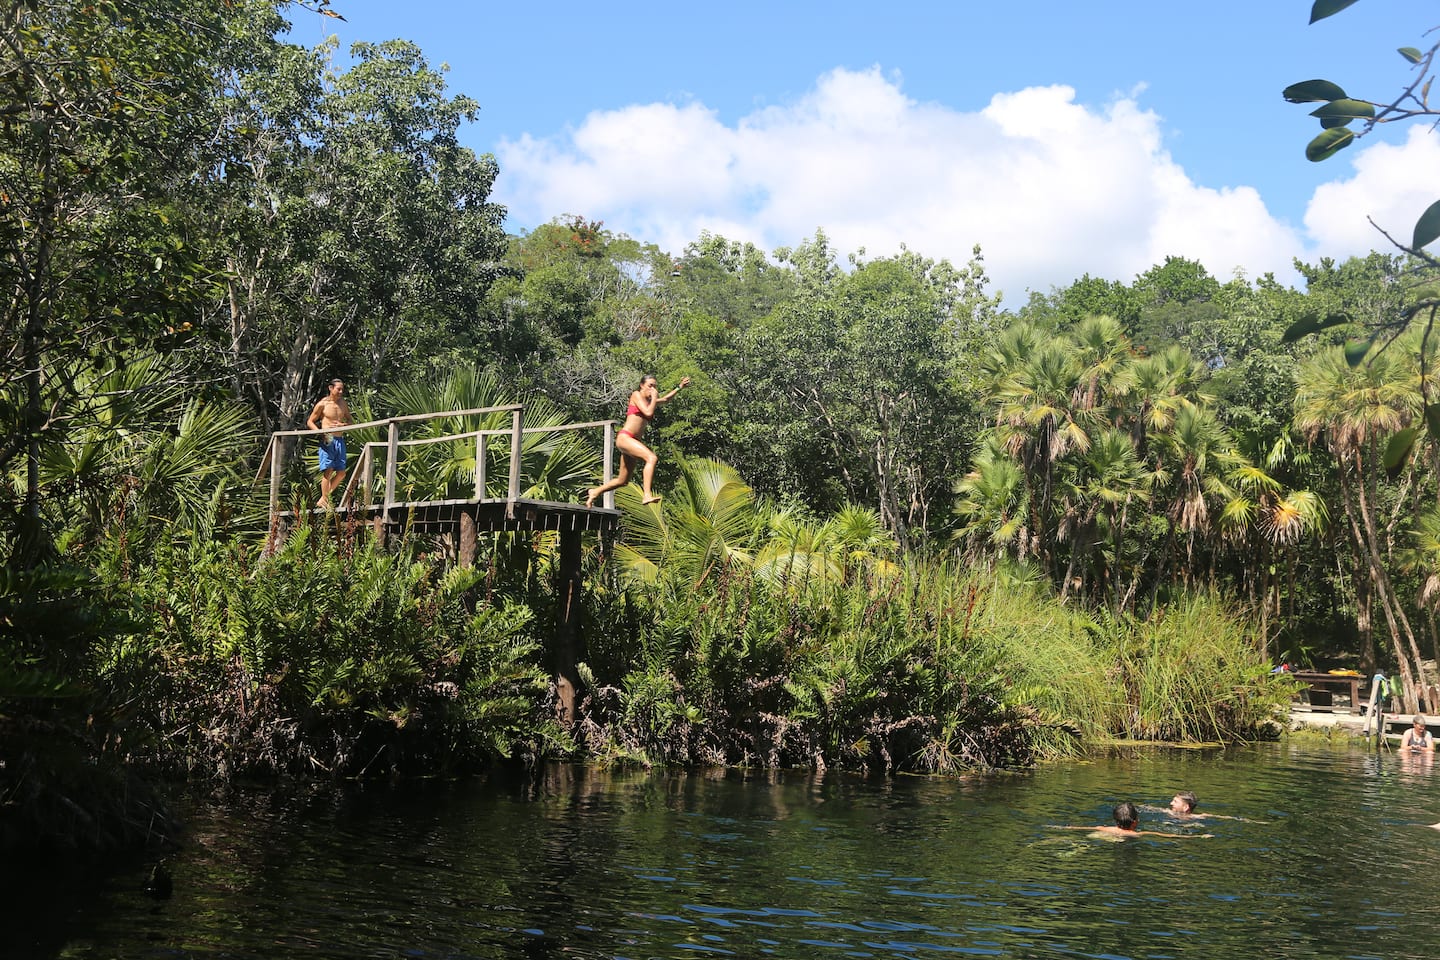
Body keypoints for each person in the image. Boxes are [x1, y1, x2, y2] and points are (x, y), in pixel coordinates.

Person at [585, 374, 691, 508]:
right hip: (625, 438)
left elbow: (665, 399)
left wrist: (679, 387)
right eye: (650, 386)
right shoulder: (636, 395)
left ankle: (595, 492)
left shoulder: (649, 401)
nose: (653, 389)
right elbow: (648, 412)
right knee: (651, 458)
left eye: (655, 386)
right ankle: (647, 494)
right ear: (642, 385)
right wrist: (654, 398)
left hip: (632, 442)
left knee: (623, 480)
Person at [306, 378, 352, 509]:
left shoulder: (343, 403)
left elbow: (350, 420)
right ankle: (325, 501)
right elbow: (310, 421)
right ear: (331, 388)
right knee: (329, 470)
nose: (341, 392)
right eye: (338, 389)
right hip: (328, 438)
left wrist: (343, 424)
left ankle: (324, 499)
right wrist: (321, 433)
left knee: (342, 473)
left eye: (342, 389)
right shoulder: (323, 404)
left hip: (339, 439)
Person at [1054, 801, 1210, 839]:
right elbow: (1169, 836)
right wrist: (1198, 836)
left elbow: (1080, 828)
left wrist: (1063, 828)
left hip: (1103, 837)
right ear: (1136, 821)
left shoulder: (1103, 828)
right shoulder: (1138, 835)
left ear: (1115, 820)